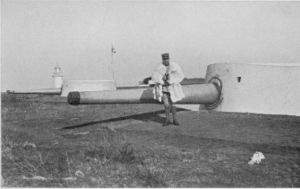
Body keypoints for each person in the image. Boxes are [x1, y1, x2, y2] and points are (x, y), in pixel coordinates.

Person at [151, 53, 185, 126]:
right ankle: (167, 120)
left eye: (167, 60)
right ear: (162, 60)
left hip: (172, 88)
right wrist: (161, 77)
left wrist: (170, 77)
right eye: (164, 60)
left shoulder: (175, 66)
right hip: (163, 89)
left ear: (169, 59)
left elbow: (180, 75)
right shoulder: (158, 67)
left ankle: (175, 119)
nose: (166, 61)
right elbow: (154, 76)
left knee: (173, 104)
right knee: (166, 105)